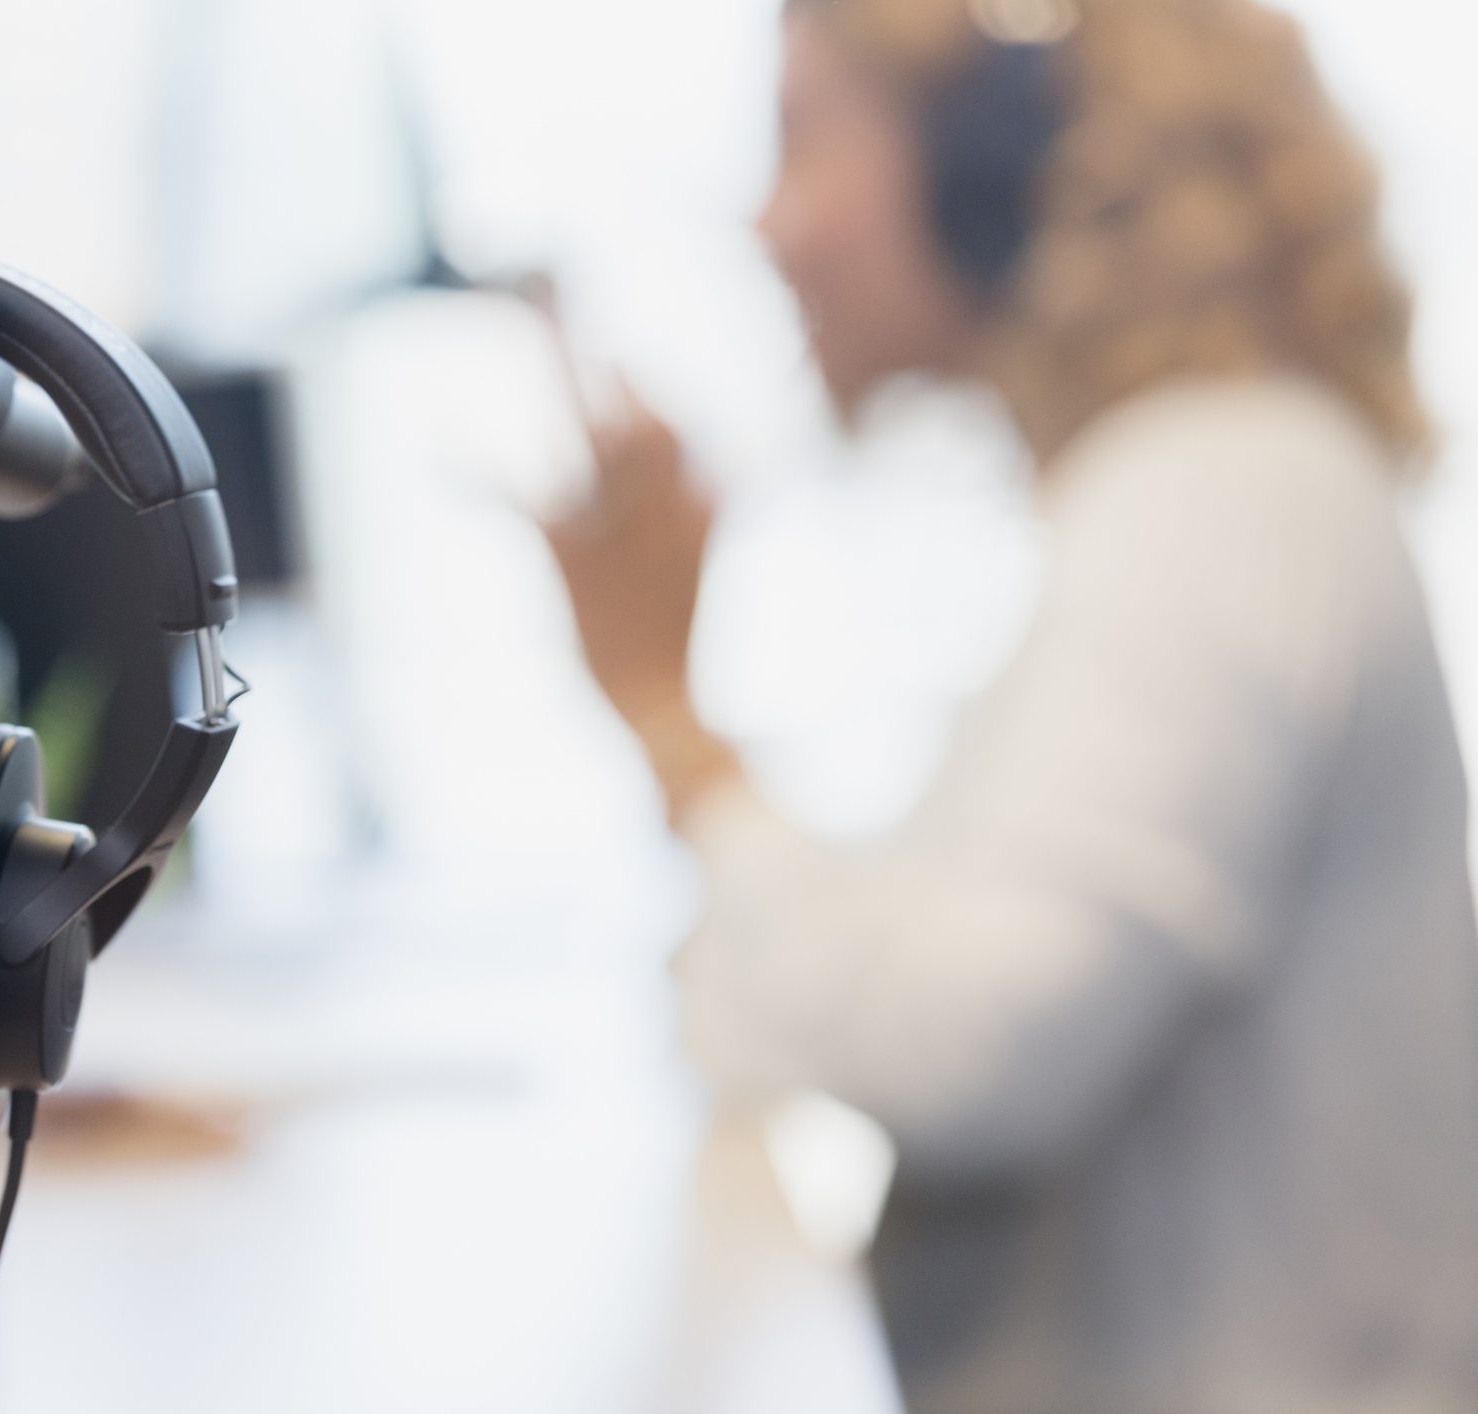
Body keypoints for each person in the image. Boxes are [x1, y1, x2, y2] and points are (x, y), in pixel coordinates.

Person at [538, 1, 1478, 1411]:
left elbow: (976, 1046)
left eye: (804, 136)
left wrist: (675, 731)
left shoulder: (1220, 494)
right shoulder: (1175, 495)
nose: (770, 223)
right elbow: (769, 1006)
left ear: (998, 157)